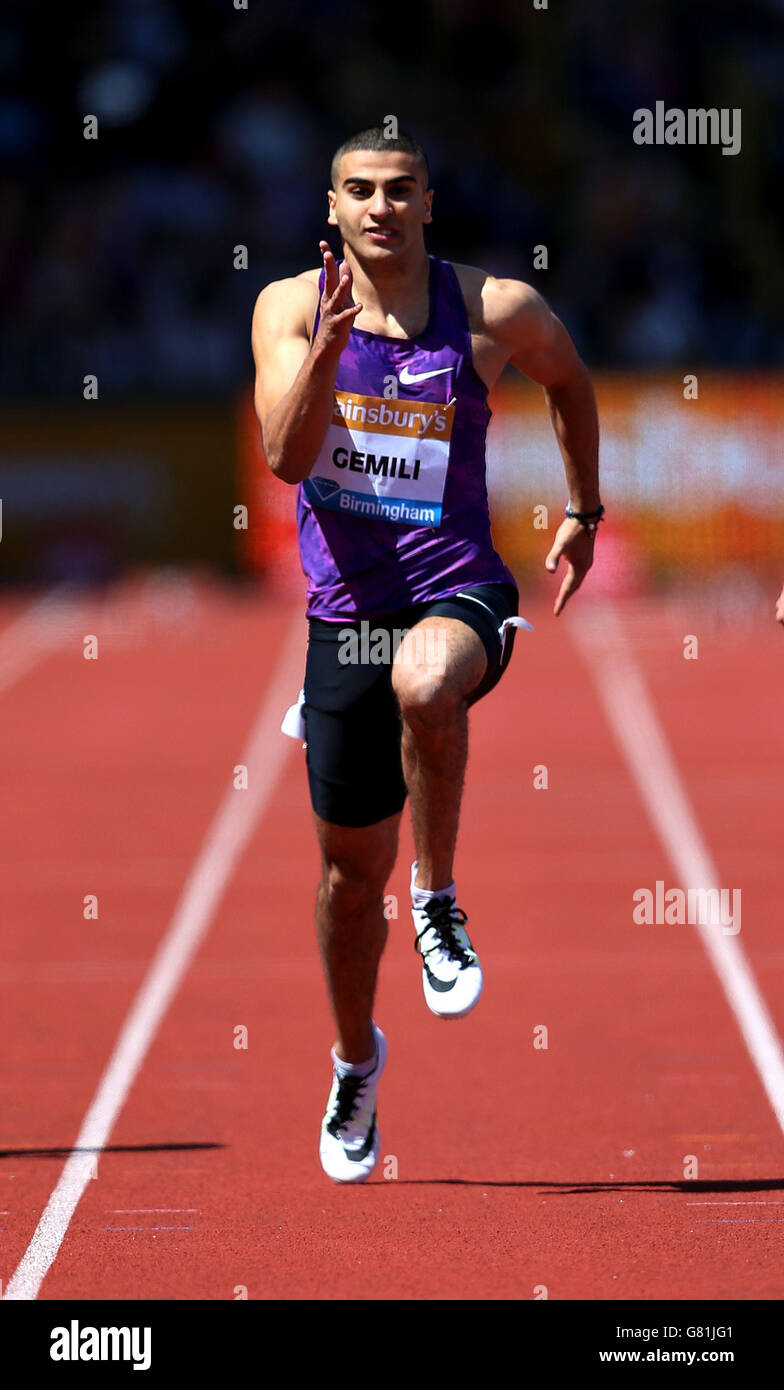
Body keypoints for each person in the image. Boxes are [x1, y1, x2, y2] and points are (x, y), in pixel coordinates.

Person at [251, 127, 601, 1183]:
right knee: (349, 878)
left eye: (400, 190)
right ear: (331, 206)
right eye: (359, 190)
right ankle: (356, 1056)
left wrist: (584, 508)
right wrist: (326, 348)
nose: (380, 207)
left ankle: (440, 903)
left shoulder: (494, 309)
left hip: (457, 588)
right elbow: (281, 458)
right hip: (342, 614)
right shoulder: (284, 308)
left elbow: (570, 381)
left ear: (429, 203)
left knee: (427, 681)